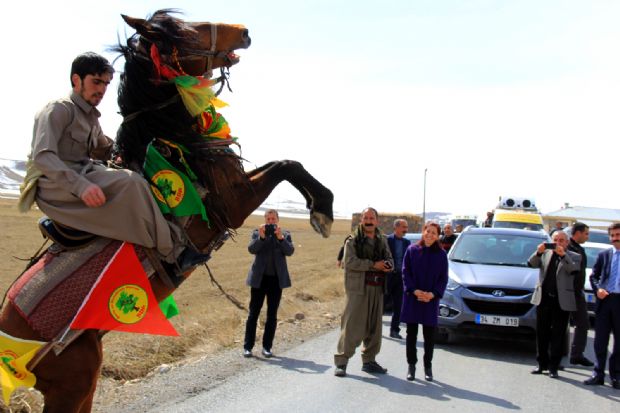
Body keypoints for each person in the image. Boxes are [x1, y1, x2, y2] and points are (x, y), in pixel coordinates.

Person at [20, 52, 205, 274]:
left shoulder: (90, 117)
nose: (102, 89)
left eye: (106, 84)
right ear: (76, 80)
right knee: (131, 182)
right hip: (55, 186)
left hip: (83, 173)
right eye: (96, 82)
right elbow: (43, 156)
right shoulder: (58, 109)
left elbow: (105, 148)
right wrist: (82, 187)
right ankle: (173, 252)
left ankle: (170, 240)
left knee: (139, 177)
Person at [334, 207, 393, 377]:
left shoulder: (382, 240)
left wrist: (388, 265)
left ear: (377, 221)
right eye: (366, 218)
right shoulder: (352, 241)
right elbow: (350, 262)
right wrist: (374, 265)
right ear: (361, 220)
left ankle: (369, 361)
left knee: (375, 328)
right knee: (352, 325)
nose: (368, 221)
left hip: (377, 288)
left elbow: (389, 258)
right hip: (358, 289)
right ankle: (341, 362)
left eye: (371, 218)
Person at [528, 231, 580, 378]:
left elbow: (573, 270)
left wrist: (563, 255)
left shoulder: (574, 256)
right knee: (541, 333)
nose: (558, 243)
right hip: (543, 298)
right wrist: (538, 252)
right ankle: (541, 364)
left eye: (561, 240)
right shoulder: (546, 253)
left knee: (558, 335)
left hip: (561, 301)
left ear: (567, 242)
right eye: (555, 239)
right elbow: (531, 263)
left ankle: (554, 367)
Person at [243, 209, 294, 358]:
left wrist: (281, 238)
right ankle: (248, 347)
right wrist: (261, 237)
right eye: (268, 219)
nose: (271, 222)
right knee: (253, 313)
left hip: (276, 281)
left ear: (278, 220)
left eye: (273, 219)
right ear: (265, 220)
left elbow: (290, 251)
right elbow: (251, 249)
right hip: (259, 279)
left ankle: (267, 347)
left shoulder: (285, 234)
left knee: (272, 315)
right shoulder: (257, 233)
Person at [400, 221, 448, 382]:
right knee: (411, 335)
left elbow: (443, 278)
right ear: (423, 232)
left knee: (429, 336)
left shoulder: (441, 255)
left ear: (438, 236)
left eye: (434, 233)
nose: (430, 235)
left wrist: (432, 294)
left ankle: (428, 367)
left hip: (430, 300)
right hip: (412, 298)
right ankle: (411, 366)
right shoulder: (412, 250)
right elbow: (405, 272)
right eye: (428, 231)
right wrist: (414, 290)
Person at [583, 222, 620, 389]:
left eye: (618, 235)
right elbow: (594, 276)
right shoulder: (604, 255)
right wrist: (598, 289)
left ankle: (616, 375)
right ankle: (598, 374)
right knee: (600, 341)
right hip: (605, 302)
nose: (615, 238)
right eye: (612, 235)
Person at [567, 222, 594, 367]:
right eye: (586, 233)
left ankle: (576, 355)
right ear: (578, 233)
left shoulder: (580, 249)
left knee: (583, 324)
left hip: (577, 293)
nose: (587, 237)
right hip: (565, 293)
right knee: (560, 325)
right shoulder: (567, 248)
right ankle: (554, 358)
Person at [386, 219, 411, 339]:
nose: (406, 229)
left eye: (406, 227)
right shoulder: (387, 240)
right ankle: (372, 329)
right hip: (387, 277)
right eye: (403, 227)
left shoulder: (407, 242)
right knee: (380, 305)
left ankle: (394, 330)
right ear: (396, 227)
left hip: (401, 278)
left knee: (398, 306)